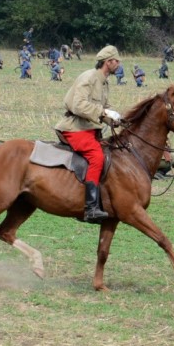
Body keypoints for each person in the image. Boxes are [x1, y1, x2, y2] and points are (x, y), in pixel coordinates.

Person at [54, 45, 122, 223]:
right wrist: (104, 113)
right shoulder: (89, 77)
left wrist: (115, 119)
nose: (119, 64)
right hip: (75, 127)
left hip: (89, 128)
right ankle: (91, 207)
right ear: (108, 62)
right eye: (116, 61)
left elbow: (103, 109)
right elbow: (78, 105)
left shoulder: (104, 81)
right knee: (97, 156)